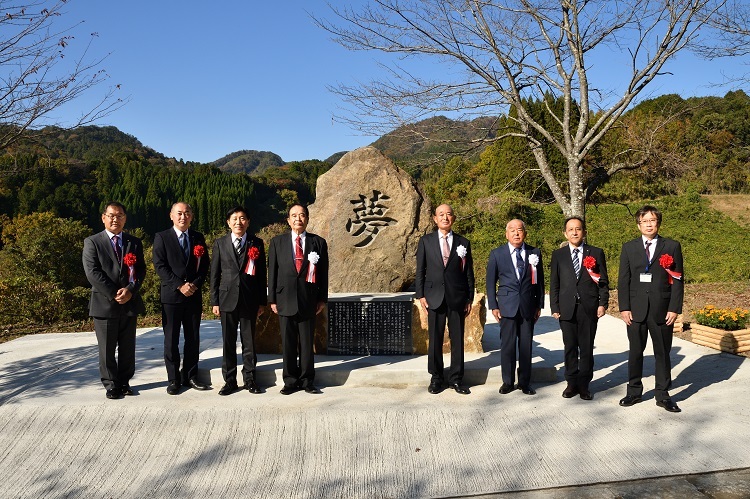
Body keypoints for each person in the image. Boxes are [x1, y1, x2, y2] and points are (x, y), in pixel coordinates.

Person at [618, 205, 684, 413]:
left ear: (658, 223)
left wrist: (674, 308)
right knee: (635, 352)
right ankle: (633, 392)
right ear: (638, 225)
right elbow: (624, 280)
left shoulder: (671, 246)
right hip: (636, 311)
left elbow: (678, 279)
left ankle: (663, 395)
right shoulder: (629, 248)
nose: (648, 224)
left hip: (662, 310)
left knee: (662, 353)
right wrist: (624, 308)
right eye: (644, 221)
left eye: (652, 220)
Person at [82, 202, 146, 400]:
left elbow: (140, 271)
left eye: (119, 216)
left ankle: (125, 381)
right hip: (104, 303)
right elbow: (92, 272)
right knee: (107, 349)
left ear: (125, 218)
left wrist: (130, 291)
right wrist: (114, 293)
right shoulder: (92, 242)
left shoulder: (134, 242)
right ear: (103, 217)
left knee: (128, 347)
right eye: (111, 215)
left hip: (129, 302)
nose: (115, 219)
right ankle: (111, 384)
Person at [267, 204, 329, 395]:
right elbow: (272, 272)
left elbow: (323, 274)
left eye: (302, 215)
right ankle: (290, 381)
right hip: (284, 299)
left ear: (307, 219)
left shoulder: (318, 242)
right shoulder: (277, 242)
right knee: (288, 343)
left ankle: (307, 380)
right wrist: (272, 299)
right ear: (288, 220)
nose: (298, 219)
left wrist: (322, 299)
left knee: (307, 343)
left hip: (308, 300)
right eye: (294, 215)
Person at [415, 204, 475, 395]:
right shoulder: (426, 241)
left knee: (457, 340)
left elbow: (468, 274)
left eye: (449, 214)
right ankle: (436, 378)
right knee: (435, 339)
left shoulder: (463, 243)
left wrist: (469, 298)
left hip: (457, 297)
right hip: (434, 297)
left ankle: (456, 379)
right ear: (435, 218)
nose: (445, 217)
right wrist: (421, 295)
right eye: (441, 214)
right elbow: (420, 271)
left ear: (454, 218)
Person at [152, 202, 211, 395]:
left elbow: (204, 266)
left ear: (191, 216)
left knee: (193, 338)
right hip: (172, 296)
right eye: (179, 213)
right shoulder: (162, 237)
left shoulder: (198, 237)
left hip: (193, 295)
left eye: (186, 213)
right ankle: (173, 379)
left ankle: (191, 376)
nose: (183, 217)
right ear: (171, 215)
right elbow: (160, 266)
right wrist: (179, 285)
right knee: (171, 339)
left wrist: (194, 284)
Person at [550, 216, 609, 400]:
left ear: (584, 232)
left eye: (578, 229)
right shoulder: (558, 255)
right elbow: (554, 283)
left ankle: (584, 385)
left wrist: (602, 303)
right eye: (571, 230)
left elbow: (603, 282)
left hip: (588, 308)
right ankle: (571, 383)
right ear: (565, 233)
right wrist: (554, 306)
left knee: (586, 348)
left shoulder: (596, 253)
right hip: (566, 309)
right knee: (569, 347)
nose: (575, 232)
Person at [210, 206, 267, 396]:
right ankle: (229, 381)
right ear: (228, 222)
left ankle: (250, 379)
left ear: (248, 222)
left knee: (249, 343)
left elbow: (261, 276)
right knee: (228, 342)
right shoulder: (220, 243)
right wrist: (214, 301)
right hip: (226, 299)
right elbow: (215, 274)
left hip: (250, 300)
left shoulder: (256, 243)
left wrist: (262, 302)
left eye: (242, 218)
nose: (238, 222)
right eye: (234, 218)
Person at [486, 219, 544, 395]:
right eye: (512, 230)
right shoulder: (497, 254)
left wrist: (539, 305)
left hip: (527, 306)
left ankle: (525, 382)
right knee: (508, 346)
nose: (516, 233)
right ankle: (508, 381)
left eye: (519, 230)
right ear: (506, 234)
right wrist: (493, 305)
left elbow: (539, 282)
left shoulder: (534, 252)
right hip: (506, 306)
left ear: (525, 233)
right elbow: (490, 283)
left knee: (526, 346)